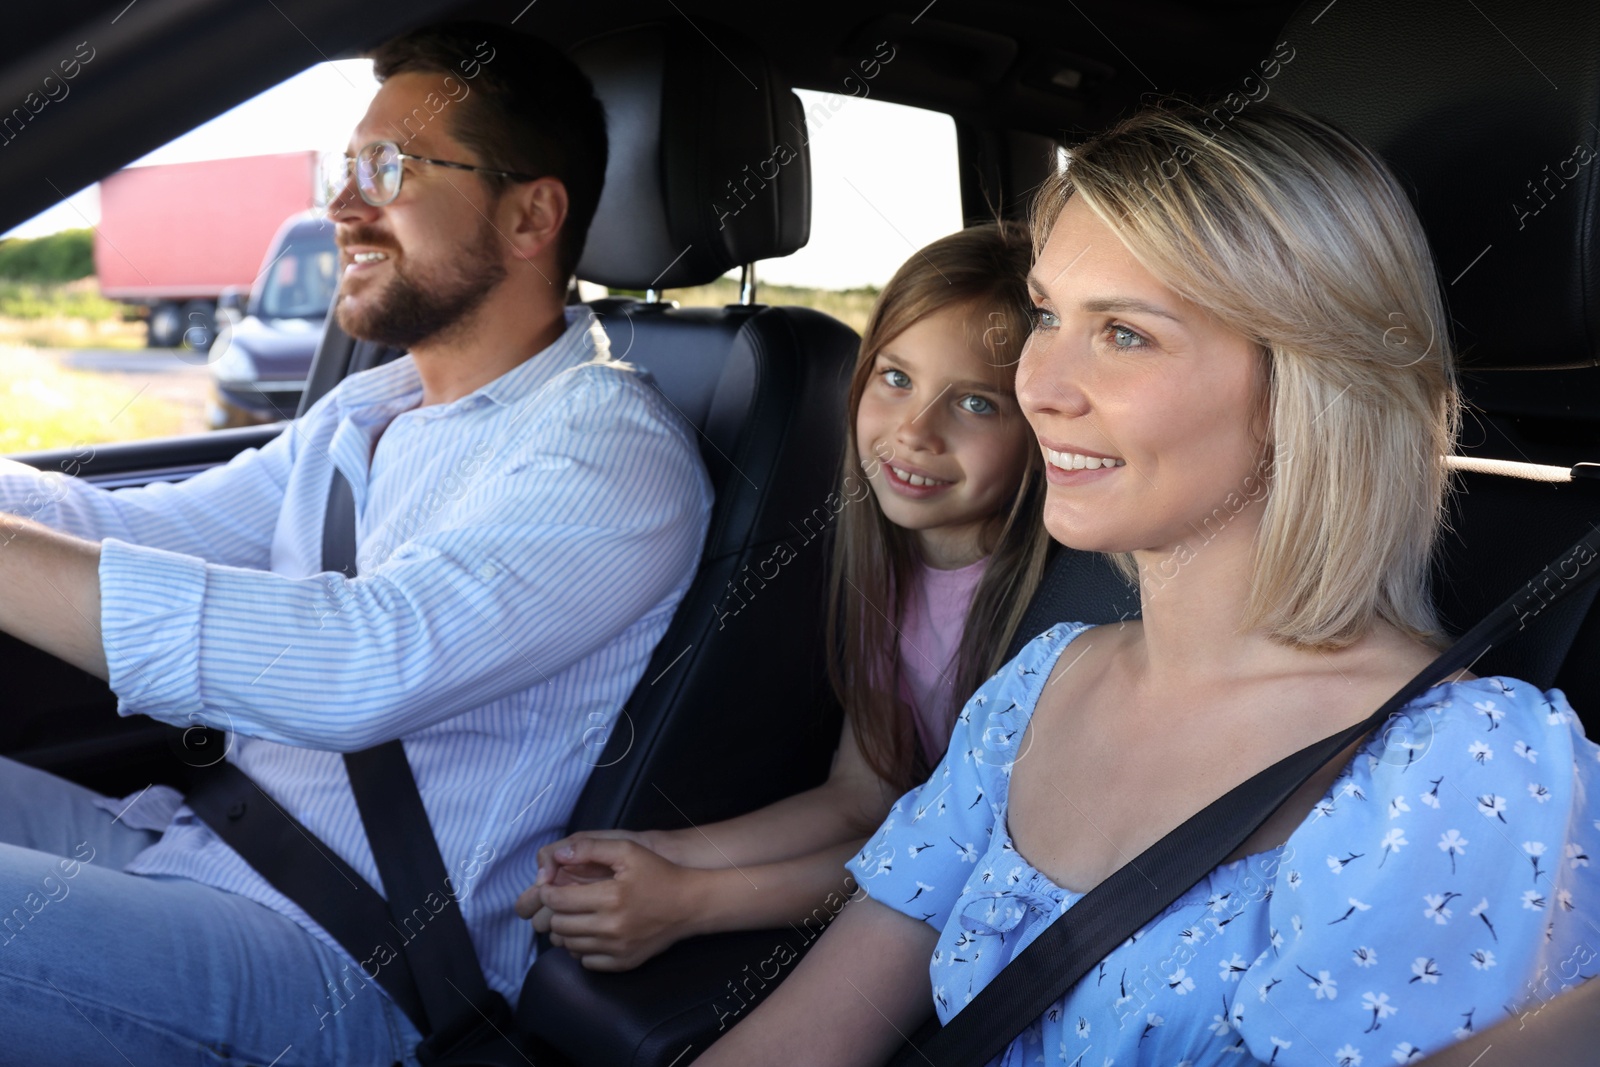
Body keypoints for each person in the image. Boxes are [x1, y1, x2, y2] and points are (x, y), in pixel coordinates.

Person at [694, 101, 1600, 1067]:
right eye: (1048, 314)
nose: (1037, 380)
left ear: (1308, 386)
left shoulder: (1458, 768)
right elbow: (804, 1036)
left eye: (1124, 333)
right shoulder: (1038, 688)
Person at [0, 21, 712, 1066]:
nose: (340, 206)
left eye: (388, 168)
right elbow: (139, 529)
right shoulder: (372, 409)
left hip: (343, 962)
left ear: (529, 215)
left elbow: (357, 661)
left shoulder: (608, 451)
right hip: (197, 844)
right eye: (346, 168)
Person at [517, 222, 1054, 972]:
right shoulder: (886, 567)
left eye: (976, 404)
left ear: (1042, 425)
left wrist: (688, 903)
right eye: (896, 378)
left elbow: (949, 859)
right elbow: (863, 800)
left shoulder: (1051, 621)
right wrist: (654, 849)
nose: (915, 430)